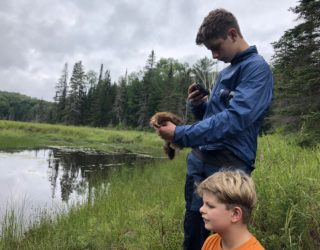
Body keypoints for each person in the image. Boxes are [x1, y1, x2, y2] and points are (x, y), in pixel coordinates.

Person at [156, 8, 273, 250]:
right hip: (199, 169)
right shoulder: (227, 70)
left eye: (216, 47)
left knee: (219, 238)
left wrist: (180, 134)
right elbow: (215, 117)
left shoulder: (257, 69)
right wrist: (199, 105)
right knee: (193, 234)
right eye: (210, 50)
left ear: (232, 34)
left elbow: (234, 119)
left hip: (225, 172)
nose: (214, 55)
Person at [197, 170, 264, 250]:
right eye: (203, 204)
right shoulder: (210, 242)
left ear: (235, 214)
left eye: (210, 206)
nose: (201, 209)